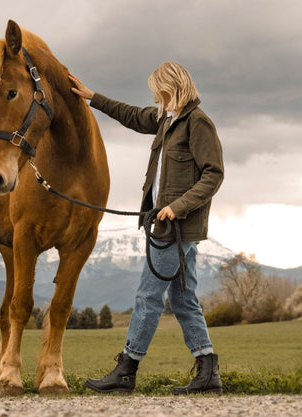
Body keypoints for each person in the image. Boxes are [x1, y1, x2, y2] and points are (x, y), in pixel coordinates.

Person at [68, 62, 225, 395]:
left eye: (158, 90)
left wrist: (176, 206)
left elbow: (213, 174)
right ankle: (208, 371)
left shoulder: (197, 124)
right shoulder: (166, 119)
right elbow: (131, 115)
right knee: (183, 300)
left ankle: (127, 369)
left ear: (172, 88)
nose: (154, 96)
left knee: (147, 296)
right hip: (165, 224)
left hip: (175, 227)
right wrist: (92, 97)